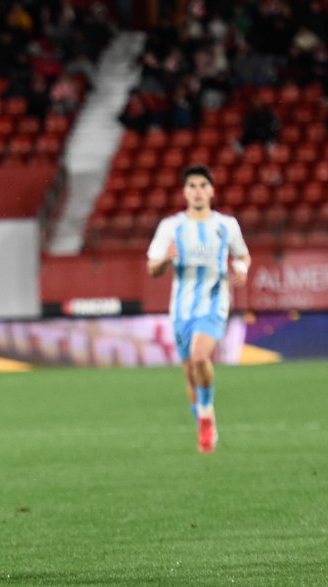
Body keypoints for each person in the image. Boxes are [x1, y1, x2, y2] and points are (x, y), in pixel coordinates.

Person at [146, 164, 250, 453]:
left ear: (212, 190)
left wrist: (240, 268)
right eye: (191, 186)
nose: (197, 191)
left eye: (203, 185)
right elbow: (152, 267)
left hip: (215, 302)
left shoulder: (226, 225)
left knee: (200, 356)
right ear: (184, 192)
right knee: (190, 371)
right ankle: (205, 422)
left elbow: (243, 255)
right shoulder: (171, 227)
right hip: (181, 309)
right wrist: (164, 259)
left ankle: (205, 418)